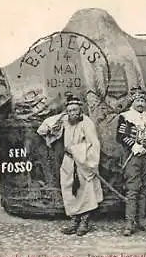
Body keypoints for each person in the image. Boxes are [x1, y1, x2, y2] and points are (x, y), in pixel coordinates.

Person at [37, 95, 103, 236]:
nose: (73, 113)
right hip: (68, 162)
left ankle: (84, 222)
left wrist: (77, 152)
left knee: (85, 192)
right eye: (70, 110)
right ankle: (74, 221)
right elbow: (44, 128)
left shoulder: (87, 123)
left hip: (83, 162)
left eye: (75, 110)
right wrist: (58, 120)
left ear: (81, 110)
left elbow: (94, 144)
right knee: (69, 190)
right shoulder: (65, 121)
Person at [116, 88, 146, 236]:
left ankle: (141, 220)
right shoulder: (125, 117)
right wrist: (134, 146)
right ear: (133, 102)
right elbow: (121, 136)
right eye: (138, 101)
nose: (141, 103)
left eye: (143, 101)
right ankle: (129, 223)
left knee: (145, 188)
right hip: (133, 156)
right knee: (133, 189)